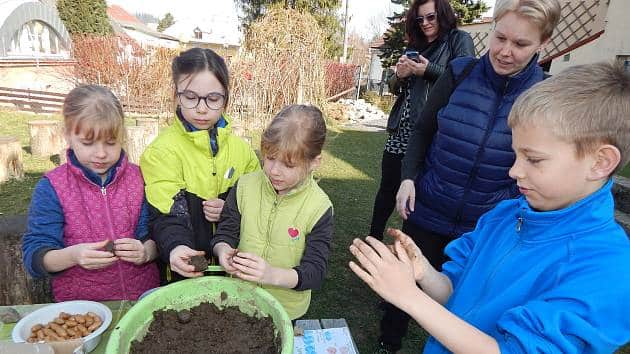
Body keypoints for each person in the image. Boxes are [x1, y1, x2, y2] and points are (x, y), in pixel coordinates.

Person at [350, 62, 630, 353]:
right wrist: (423, 273)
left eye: (533, 159)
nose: (514, 171)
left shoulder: (607, 269)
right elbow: (453, 294)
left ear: (600, 162)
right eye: (516, 155)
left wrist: (410, 297)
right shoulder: (506, 216)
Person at [383, 0, 561, 351]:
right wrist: (407, 178)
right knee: (406, 278)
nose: (505, 52)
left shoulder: (547, 95)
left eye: (521, 44)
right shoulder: (459, 72)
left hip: (487, 223)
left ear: (543, 43)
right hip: (429, 203)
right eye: (500, 38)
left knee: (466, 298)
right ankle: (389, 338)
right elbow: (422, 130)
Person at [22, 85, 160, 302]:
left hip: (141, 298)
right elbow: (35, 257)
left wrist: (146, 252)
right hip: (82, 309)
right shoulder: (52, 187)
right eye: (87, 143)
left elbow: (154, 236)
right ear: (67, 135)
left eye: (111, 143)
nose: (101, 153)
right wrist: (73, 256)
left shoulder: (139, 178)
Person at [140, 47, 260, 284]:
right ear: (176, 96)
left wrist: (230, 207)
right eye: (191, 97)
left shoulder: (242, 150)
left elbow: (260, 201)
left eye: (213, 99)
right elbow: (166, 214)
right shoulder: (160, 152)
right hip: (184, 275)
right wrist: (177, 248)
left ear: (226, 98)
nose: (202, 108)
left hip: (234, 271)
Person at [210, 105, 334, 320]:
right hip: (239, 300)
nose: (274, 171)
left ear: (314, 162)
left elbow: (315, 272)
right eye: (269, 158)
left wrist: (272, 275)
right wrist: (223, 252)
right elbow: (225, 232)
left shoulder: (319, 207)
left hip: (285, 311)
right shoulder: (244, 186)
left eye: (288, 164)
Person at [369, 0, 474, 241]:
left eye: (431, 17)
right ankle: (373, 240)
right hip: (401, 129)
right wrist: (399, 75)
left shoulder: (458, 40)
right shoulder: (414, 46)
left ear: (443, 15)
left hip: (432, 130)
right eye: (420, 19)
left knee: (419, 195)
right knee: (387, 190)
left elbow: (465, 79)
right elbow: (395, 88)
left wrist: (428, 70)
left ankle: (409, 251)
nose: (425, 23)